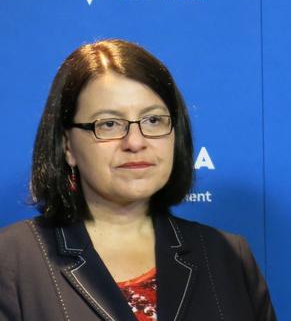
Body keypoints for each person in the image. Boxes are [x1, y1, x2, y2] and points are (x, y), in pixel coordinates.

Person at [0, 39, 276, 321]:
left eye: (153, 121)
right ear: (67, 145)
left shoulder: (227, 255)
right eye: (109, 124)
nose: (135, 141)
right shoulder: (12, 260)